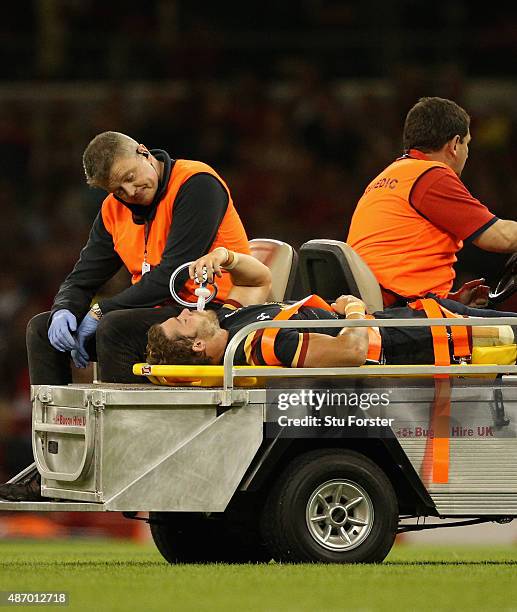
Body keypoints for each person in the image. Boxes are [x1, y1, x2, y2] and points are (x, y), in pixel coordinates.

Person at [0, 131, 250, 501]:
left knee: (114, 327)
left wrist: (100, 311)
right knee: (40, 328)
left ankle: (128, 458)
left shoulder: (197, 184)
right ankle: (49, 467)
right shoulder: (114, 211)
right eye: (117, 188)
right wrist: (64, 309)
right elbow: (83, 275)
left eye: (131, 177)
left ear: (145, 153)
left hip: (209, 317)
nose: (130, 192)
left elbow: (171, 276)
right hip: (155, 317)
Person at [146, 246, 517, 370]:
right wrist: (354, 307)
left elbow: (257, 279)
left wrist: (222, 256)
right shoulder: (261, 345)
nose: (185, 311)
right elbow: (351, 351)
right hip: (417, 339)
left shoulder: (232, 322)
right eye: (182, 321)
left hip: (422, 318)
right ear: (197, 345)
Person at [346, 96, 517, 309]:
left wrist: (453, 300)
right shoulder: (432, 177)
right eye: (467, 143)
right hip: (398, 311)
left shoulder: (389, 176)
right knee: (510, 329)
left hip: (381, 305)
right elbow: (501, 237)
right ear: (455, 145)